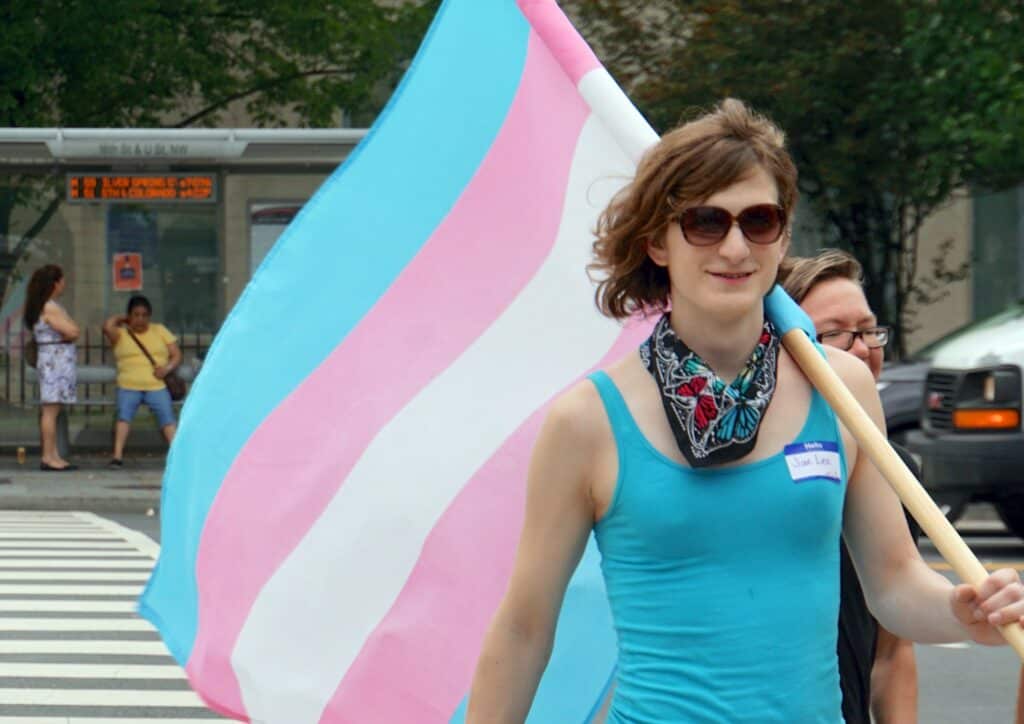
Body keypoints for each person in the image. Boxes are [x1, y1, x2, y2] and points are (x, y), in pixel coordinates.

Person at [466, 99, 1024, 722]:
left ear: (783, 236)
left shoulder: (841, 389)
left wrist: (964, 611)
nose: (734, 246)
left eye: (759, 221)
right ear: (656, 241)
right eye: (705, 221)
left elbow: (893, 586)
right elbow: (523, 629)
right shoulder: (588, 420)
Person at [780, 249, 920, 723]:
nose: (861, 348)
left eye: (868, 330)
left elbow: (892, 654)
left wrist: (974, 610)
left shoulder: (898, 472)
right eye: (835, 333)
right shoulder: (748, 464)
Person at [102, 295, 182, 467]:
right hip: (129, 384)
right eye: (136, 315)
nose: (140, 319)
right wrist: (122, 319)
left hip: (156, 385)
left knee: (167, 417)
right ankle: (117, 456)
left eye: (144, 315)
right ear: (129, 315)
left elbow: (176, 354)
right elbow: (108, 326)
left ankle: (177, 455)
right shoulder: (121, 334)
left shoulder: (159, 330)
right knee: (124, 416)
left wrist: (166, 369)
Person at [22, 264, 80, 471]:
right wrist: (68, 333)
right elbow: (72, 331)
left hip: (54, 360)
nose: (64, 284)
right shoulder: (50, 307)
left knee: (53, 410)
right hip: (54, 362)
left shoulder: (46, 305)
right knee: (50, 411)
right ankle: (48, 456)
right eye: (62, 280)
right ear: (55, 283)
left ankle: (53, 454)